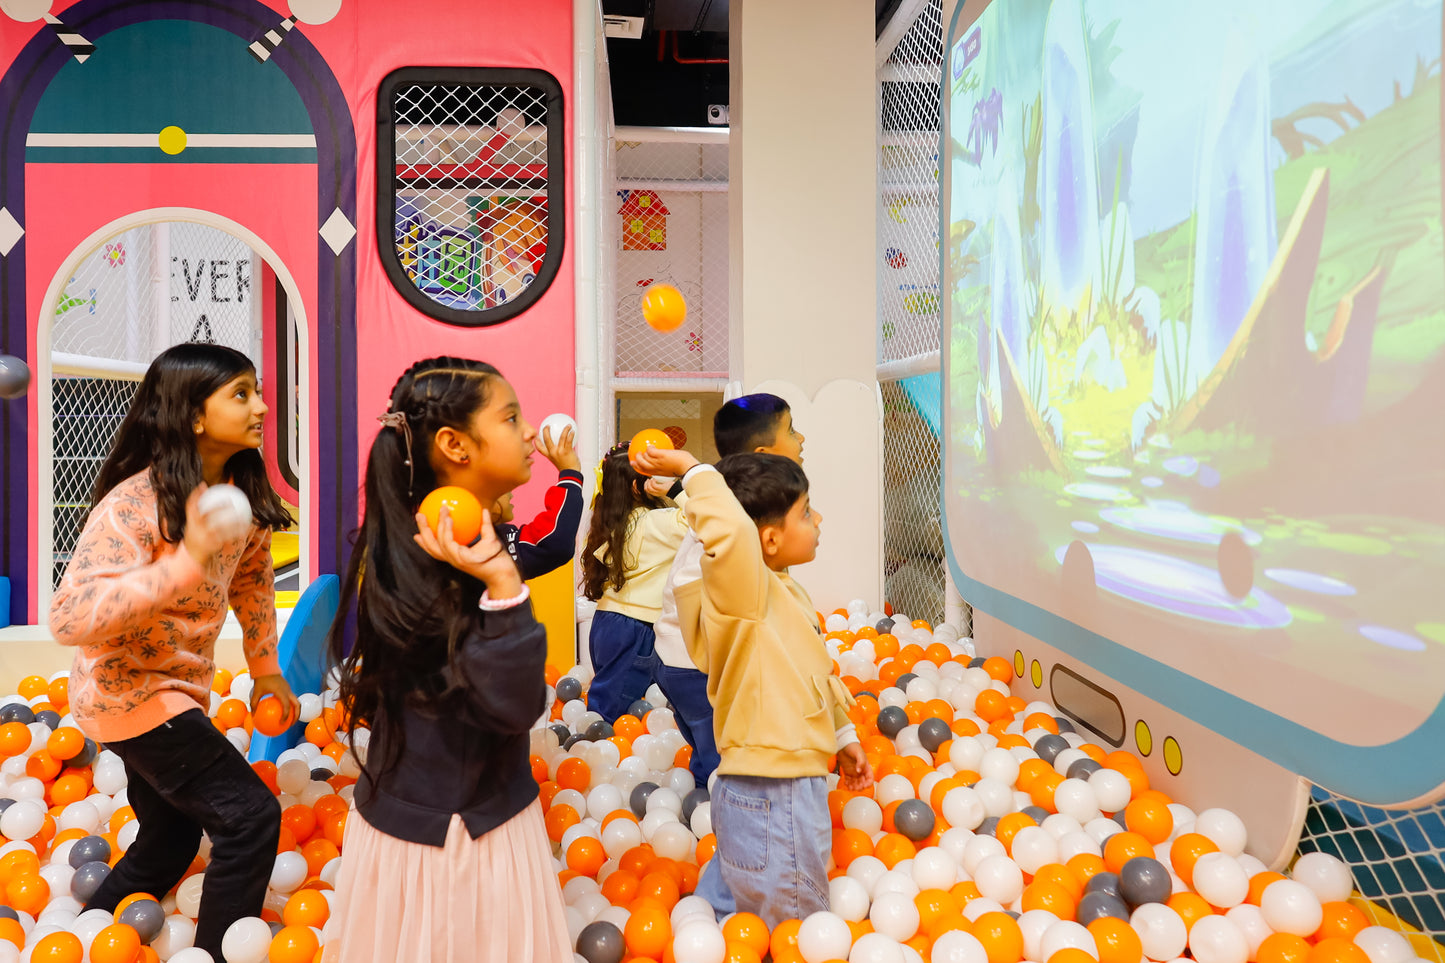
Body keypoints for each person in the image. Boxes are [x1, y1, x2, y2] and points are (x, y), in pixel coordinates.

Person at [48, 343, 301, 960]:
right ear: (193, 414)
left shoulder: (239, 496)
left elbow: (253, 584)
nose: (263, 407)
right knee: (249, 817)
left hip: (176, 692)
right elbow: (69, 617)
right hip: (126, 689)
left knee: (171, 834)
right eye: (242, 394)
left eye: (259, 391)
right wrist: (179, 568)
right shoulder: (136, 505)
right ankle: (216, 952)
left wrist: (267, 670)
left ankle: (90, 930)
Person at [322, 357, 570, 963]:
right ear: (456, 445)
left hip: (440, 819)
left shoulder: (423, 540)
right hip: (456, 839)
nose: (529, 431)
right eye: (511, 417)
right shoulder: (444, 562)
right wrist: (505, 586)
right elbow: (513, 705)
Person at [634, 446, 875, 927]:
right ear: (766, 539)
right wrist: (691, 470)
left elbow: (809, 673)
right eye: (805, 512)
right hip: (773, 791)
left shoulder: (782, 589)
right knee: (792, 920)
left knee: (730, 905)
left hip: (766, 785)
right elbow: (730, 532)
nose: (819, 519)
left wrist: (842, 736)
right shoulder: (743, 596)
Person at [652, 394, 805, 788]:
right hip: (699, 663)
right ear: (763, 452)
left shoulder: (724, 496)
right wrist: (689, 468)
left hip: (674, 656)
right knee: (729, 763)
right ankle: (719, 824)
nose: (801, 438)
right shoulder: (744, 505)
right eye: (791, 429)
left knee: (708, 752)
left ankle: (701, 807)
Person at [580, 444, 690, 722]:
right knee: (611, 713)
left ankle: (598, 748)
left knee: (611, 701)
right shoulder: (654, 524)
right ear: (639, 487)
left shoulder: (610, 524)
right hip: (636, 628)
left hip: (607, 622)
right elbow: (706, 520)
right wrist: (676, 489)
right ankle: (594, 753)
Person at [492, 421, 584, 579]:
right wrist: (570, 474)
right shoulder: (483, 544)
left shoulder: (497, 538)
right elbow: (554, 544)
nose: (511, 493)